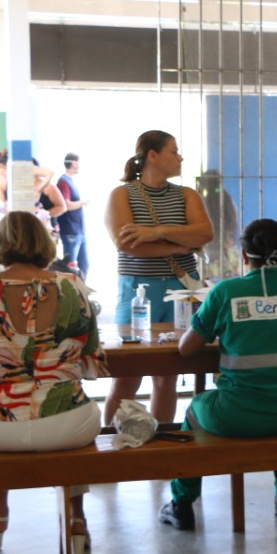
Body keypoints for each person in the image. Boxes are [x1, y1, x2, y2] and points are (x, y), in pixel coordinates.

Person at [0, 211, 109, 554]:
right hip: (65, 424)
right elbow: (90, 355)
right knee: (75, 414)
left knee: (1, 411)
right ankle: (75, 519)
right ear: (44, 243)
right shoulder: (71, 285)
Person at [159, 218, 277, 529]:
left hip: (236, 416)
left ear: (243, 256)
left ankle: (182, 502)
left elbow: (187, 349)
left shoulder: (225, 292)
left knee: (194, 410)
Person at [102, 130, 213, 428]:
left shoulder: (186, 194)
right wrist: (180, 244)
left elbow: (205, 233)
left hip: (181, 290)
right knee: (127, 376)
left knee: (167, 376)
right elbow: (125, 243)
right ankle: (108, 443)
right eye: (174, 151)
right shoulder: (122, 194)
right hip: (138, 290)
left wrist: (156, 232)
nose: (180, 157)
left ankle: (161, 439)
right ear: (153, 155)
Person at [57, 153, 90, 278]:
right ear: (73, 163)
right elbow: (66, 205)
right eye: (78, 162)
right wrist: (82, 202)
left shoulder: (69, 181)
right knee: (69, 268)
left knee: (84, 265)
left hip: (79, 230)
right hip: (71, 230)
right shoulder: (63, 182)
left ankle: (82, 292)